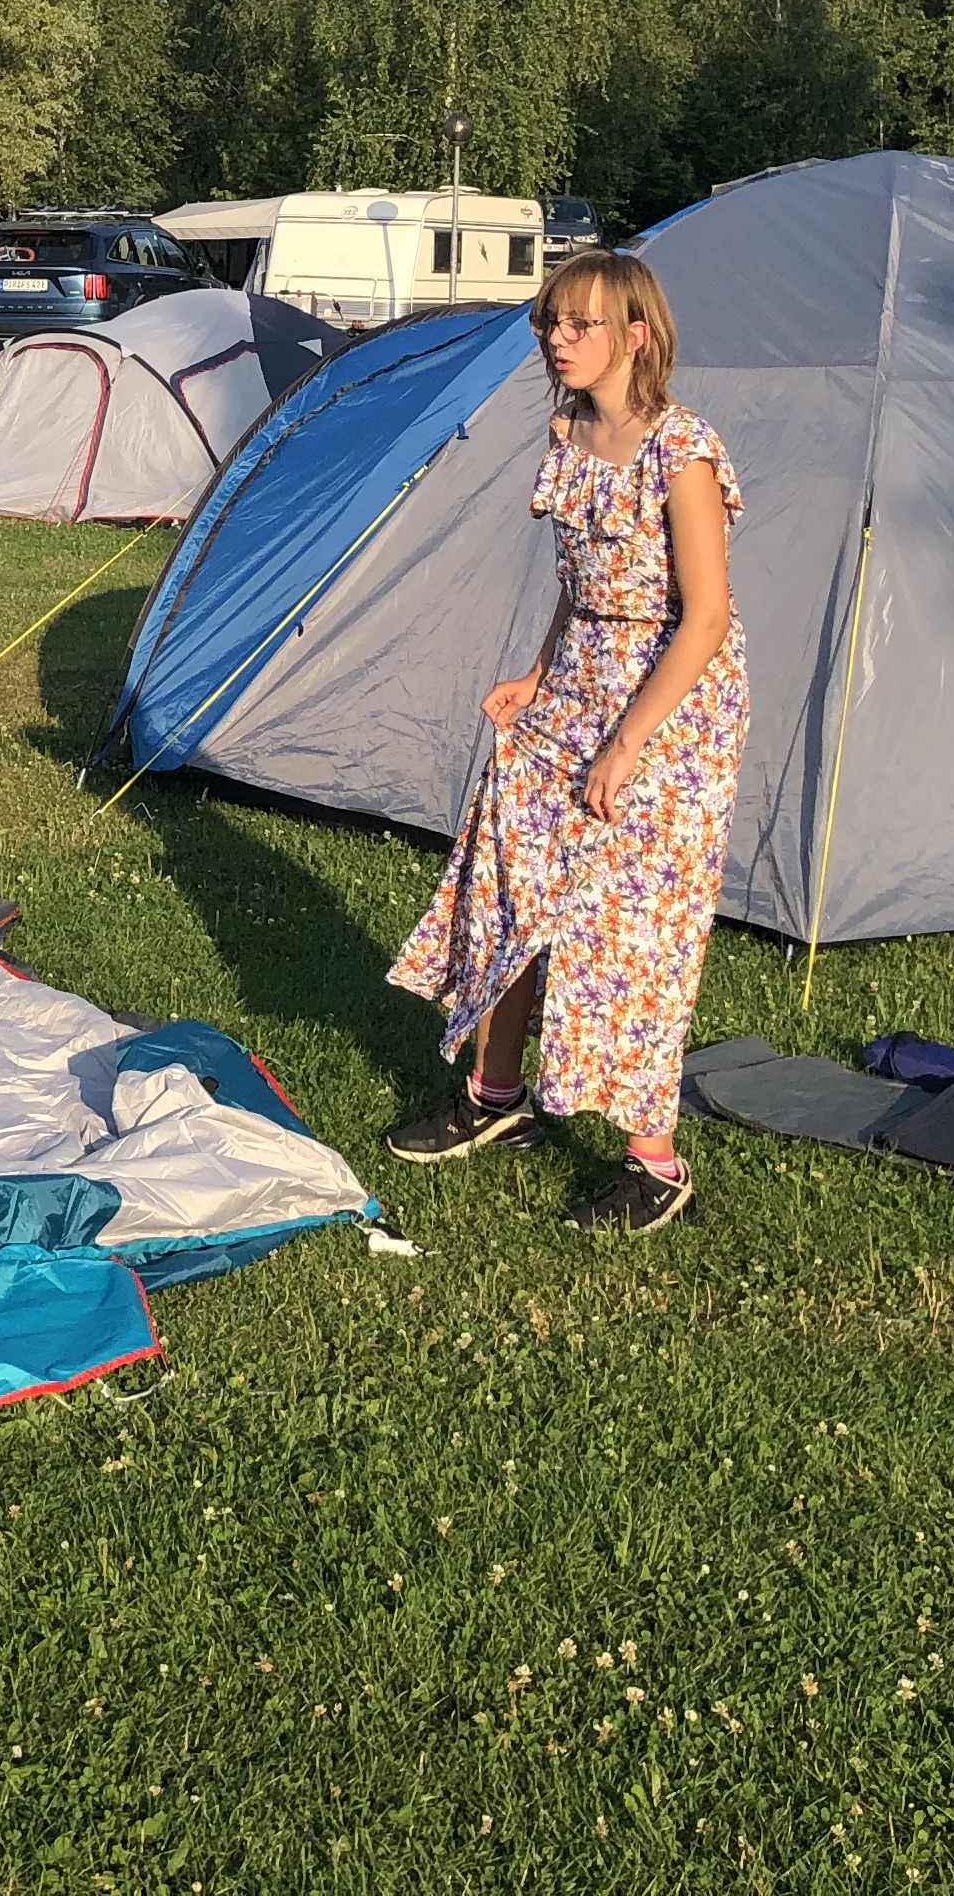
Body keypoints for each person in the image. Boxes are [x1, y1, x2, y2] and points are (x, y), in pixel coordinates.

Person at [383, 248, 747, 1231]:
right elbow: (579, 585)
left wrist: (627, 742)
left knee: (630, 929)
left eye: (579, 322)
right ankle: (496, 1099)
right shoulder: (572, 436)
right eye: (551, 321)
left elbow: (705, 616)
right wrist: (540, 674)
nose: (557, 337)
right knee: (513, 879)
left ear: (636, 332)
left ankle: (655, 1164)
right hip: (579, 676)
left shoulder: (685, 450)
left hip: (670, 702)